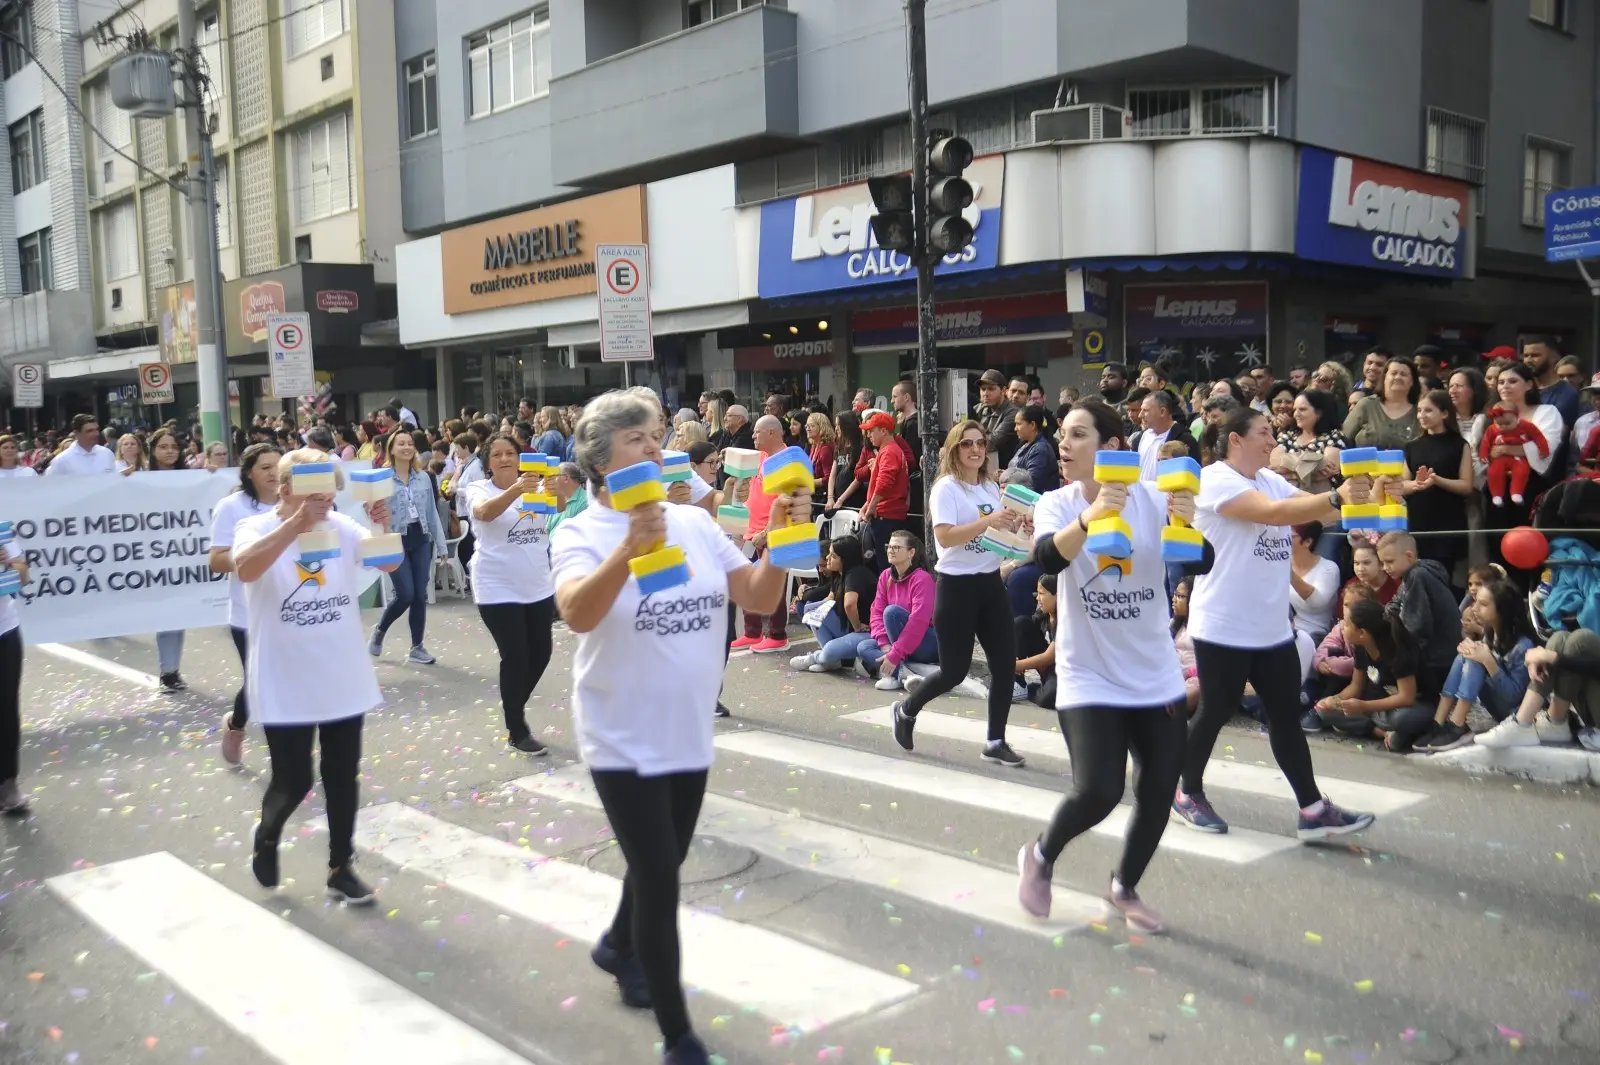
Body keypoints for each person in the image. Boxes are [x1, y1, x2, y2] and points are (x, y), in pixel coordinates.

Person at [551, 390, 808, 1065]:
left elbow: (757, 594)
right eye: (635, 438)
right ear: (601, 460)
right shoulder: (579, 531)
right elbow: (576, 613)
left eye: (656, 435)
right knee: (660, 875)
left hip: (686, 726)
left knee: (660, 859)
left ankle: (618, 943)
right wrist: (628, 550)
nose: (653, 447)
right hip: (619, 730)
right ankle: (678, 1034)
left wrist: (784, 535)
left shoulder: (693, 523)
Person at [1016, 401, 1196, 933]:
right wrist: (1090, 517)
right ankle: (1041, 856)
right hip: (1087, 670)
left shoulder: (1153, 499)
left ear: (1112, 447)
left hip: (1154, 671)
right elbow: (1046, 558)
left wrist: (1186, 519)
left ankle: (1124, 887)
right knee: (1099, 790)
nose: (1063, 444)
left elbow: (1200, 560)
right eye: (1062, 434)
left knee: (1159, 789)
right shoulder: (1058, 502)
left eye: (1078, 434)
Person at [1174, 407, 1376, 841]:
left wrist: (1375, 492)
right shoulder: (1215, 480)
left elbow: (1311, 513)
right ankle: (1186, 792)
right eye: (1264, 433)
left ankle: (1312, 809)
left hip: (1271, 627)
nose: (1273, 441)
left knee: (1284, 715)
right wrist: (1338, 497)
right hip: (1224, 624)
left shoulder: (1269, 479)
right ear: (1235, 439)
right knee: (1215, 710)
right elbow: (1273, 513)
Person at [233, 448, 396, 903]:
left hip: (341, 671)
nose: (324, 501)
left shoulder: (341, 527)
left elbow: (388, 564)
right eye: (313, 492)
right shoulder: (256, 527)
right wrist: (296, 525)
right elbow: (245, 567)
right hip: (286, 674)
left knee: (343, 775)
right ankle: (267, 834)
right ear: (285, 489)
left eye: (328, 491)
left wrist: (380, 525)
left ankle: (340, 867)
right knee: (294, 780)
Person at [890, 421, 1025, 767]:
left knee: (1004, 666)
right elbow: (946, 537)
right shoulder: (945, 489)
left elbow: (998, 532)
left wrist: (1017, 525)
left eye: (980, 443)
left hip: (990, 583)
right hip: (956, 586)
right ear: (954, 449)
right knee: (954, 671)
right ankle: (906, 710)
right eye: (967, 444)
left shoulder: (990, 487)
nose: (975, 449)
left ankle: (995, 741)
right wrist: (989, 521)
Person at [467, 433, 557, 754]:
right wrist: (517, 489)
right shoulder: (479, 488)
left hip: (537, 583)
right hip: (497, 586)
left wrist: (555, 490)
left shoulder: (538, 488)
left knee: (541, 653)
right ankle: (517, 729)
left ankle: (512, 705)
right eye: (497, 455)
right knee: (516, 655)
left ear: (520, 458)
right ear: (488, 463)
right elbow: (484, 513)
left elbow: (557, 507)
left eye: (510, 453)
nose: (505, 459)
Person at [207, 444, 282, 765]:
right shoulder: (232, 507)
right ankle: (237, 725)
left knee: (286, 683)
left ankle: (290, 759)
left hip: (292, 611)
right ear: (249, 473)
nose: (274, 473)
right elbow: (216, 560)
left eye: (278, 466)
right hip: (248, 613)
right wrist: (251, 558)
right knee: (260, 684)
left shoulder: (294, 504)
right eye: (265, 468)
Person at [1418, 579, 1535, 751]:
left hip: (1516, 715)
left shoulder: (1523, 645)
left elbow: (1513, 698)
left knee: (1476, 658)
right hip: (1495, 705)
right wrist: (1468, 650)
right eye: (1475, 602)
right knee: (1465, 656)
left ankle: (1458, 725)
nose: (1475, 608)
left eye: (1483, 604)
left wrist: (1488, 660)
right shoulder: (1491, 634)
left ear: (1502, 609)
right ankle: (1439, 722)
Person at [368, 429, 448, 664]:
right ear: (391, 449)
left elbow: (432, 512)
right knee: (405, 594)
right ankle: (380, 630)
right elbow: (371, 511)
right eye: (401, 444)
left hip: (420, 537)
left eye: (410, 443)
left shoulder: (424, 477)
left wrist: (441, 545)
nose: (406, 447)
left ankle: (417, 647)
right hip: (395, 539)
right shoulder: (381, 478)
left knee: (419, 595)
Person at [1376, 531, 1462, 699]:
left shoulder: (1418, 576)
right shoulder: (1413, 573)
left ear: (1409, 556)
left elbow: (1416, 627)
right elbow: (1394, 604)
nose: (1385, 567)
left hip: (1437, 662)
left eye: (1390, 561)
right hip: (1439, 658)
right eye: (1383, 562)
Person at [855, 529, 939, 690]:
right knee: (864, 647)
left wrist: (895, 653)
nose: (890, 550)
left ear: (911, 552)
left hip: (927, 642)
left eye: (896, 547)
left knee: (892, 613)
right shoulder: (885, 576)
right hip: (898, 644)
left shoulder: (922, 579)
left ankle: (893, 675)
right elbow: (876, 611)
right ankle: (903, 675)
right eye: (889, 546)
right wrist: (885, 645)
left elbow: (918, 622)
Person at [789, 536, 875, 672]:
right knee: (814, 611)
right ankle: (831, 661)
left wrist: (857, 627)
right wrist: (811, 608)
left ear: (845, 559)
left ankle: (816, 658)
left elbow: (849, 604)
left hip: (866, 632)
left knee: (830, 650)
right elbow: (829, 599)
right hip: (849, 628)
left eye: (833, 556)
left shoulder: (855, 574)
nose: (828, 558)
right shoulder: (839, 575)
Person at [0, 536, 30, 814]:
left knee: (7, 708)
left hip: (5, 631)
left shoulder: (2, 534)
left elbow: (23, 576)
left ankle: (7, 783)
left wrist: (9, 564)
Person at [859, 410, 911, 552]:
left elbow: (884, 483)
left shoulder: (889, 451)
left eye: (871, 431)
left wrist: (871, 506)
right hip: (887, 515)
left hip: (886, 516)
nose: (868, 435)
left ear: (883, 431)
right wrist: (868, 505)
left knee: (886, 560)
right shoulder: (890, 450)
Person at [1480, 402, 1550, 507]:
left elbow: (1538, 436)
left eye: (1507, 423)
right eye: (1499, 424)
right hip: (1499, 457)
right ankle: (1496, 495)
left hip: (1518, 457)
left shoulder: (1526, 426)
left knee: (1522, 470)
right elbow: (1485, 442)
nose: (1503, 427)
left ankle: (1516, 492)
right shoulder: (1492, 429)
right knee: (1493, 471)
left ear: (1517, 418)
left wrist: (1544, 449)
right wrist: (1484, 454)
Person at [1342, 355, 1421, 449]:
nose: (1398, 377)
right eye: (1393, 373)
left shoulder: (1420, 412)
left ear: (1412, 381)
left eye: (1403, 374)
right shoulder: (1366, 405)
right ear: (1384, 378)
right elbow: (1343, 440)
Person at [974, 369, 1021, 469]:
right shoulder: (977, 409)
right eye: (983, 389)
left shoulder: (1013, 413)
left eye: (991, 389)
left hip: (1003, 470)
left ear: (1003, 391)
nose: (985, 393)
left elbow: (992, 443)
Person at [1010, 405, 1061, 492]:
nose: (1015, 428)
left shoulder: (1040, 450)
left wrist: (1006, 478)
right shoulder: (1025, 444)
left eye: (1018, 424)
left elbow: (1030, 484)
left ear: (1032, 425)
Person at [45, 414, 115, 476]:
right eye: (89, 431)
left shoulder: (107, 453)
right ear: (77, 433)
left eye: (96, 430)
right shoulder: (62, 460)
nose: (96, 434)